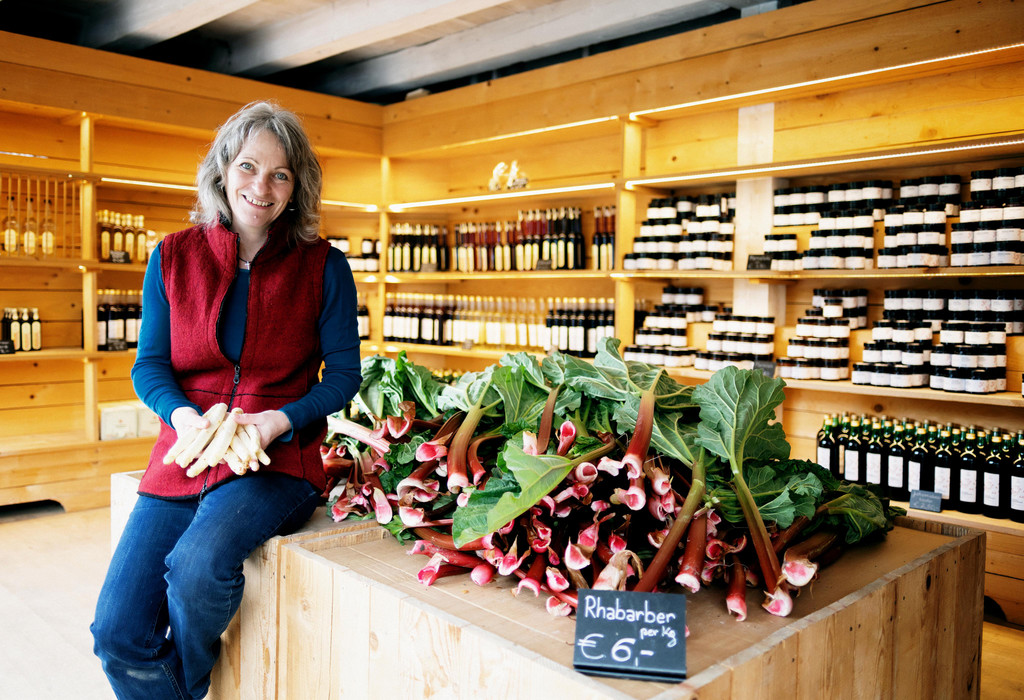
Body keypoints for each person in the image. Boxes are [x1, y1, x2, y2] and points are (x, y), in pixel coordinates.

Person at [91, 101, 362, 700]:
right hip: (186, 452)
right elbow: (150, 367)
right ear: (221, 171)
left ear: (298, 188)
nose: (260, 186)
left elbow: (344, 376)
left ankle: (184, 688)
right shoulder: (171, 256)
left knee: (195, 569)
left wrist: (276, 421)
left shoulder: (325, 267)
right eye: (247, 167)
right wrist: (186, 418)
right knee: (115, 633)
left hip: (275, 462)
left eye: (280, 174)